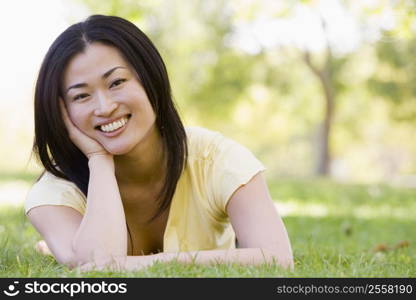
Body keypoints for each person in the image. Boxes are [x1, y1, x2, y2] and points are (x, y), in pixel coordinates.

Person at [25, 14, 293, 272]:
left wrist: (132, 264)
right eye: (81, 96)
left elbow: (277, 260)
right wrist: (99, 160)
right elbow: (96, 267)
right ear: (60, 112)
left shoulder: (215, 157)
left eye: (117, 82)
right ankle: (52, 246)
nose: (105, 107)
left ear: (150, 78)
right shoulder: (54, 194)